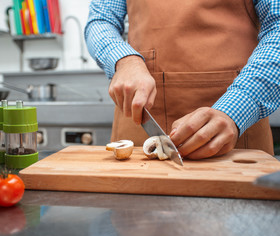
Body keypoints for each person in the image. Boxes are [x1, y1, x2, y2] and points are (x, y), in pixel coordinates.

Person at [84, 0, 280, 159]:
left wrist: (236, 108)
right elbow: (101, 19)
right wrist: (124, 59)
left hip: (239, 128)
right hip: (140, 122)